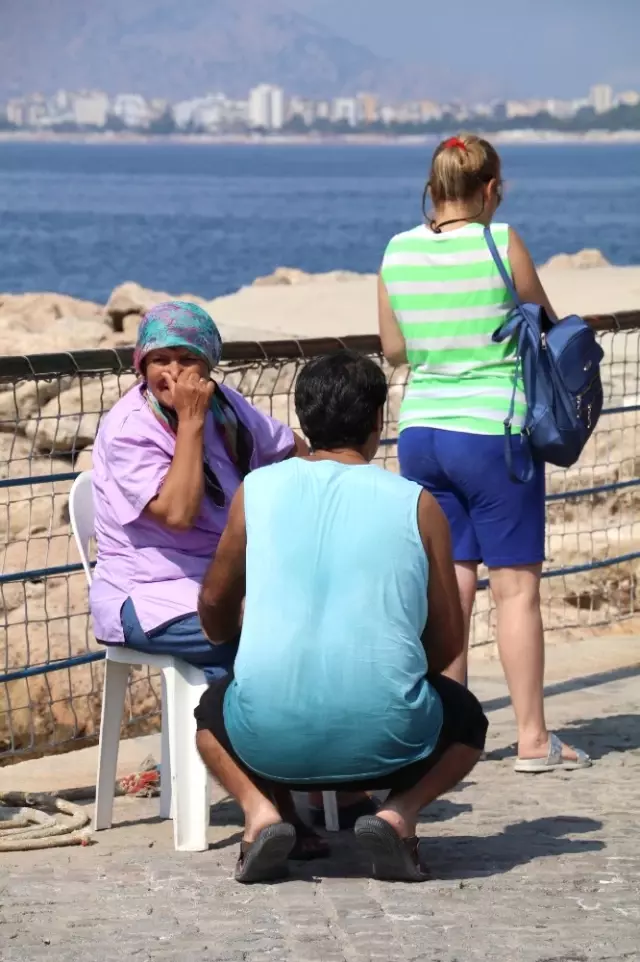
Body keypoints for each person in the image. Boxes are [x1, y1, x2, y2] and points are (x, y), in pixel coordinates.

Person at [194, 350, 488, 884]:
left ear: (303, 417)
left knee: (209, 718)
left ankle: (262, 815)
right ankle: (399, 815)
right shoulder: (417, 503)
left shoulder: (256, 491)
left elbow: (214, 604)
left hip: (266, 740)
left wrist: (239, 647)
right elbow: (449, 640)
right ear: (378, 421)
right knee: (468, 721)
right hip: (391, 742)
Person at [378, 133, 590, 773]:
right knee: (517, 590)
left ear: (433, 188)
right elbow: (549, 325)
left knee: (452, 588)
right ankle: (531, 740)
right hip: (493, 435)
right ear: (491, 188)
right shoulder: (502, 242)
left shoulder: (397, 250)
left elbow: (394, 350)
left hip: (422, 436)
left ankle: (451, 737)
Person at [90, 299, 307, 681]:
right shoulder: (129, 430)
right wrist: (191, 422)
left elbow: (292, 450)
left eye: (186, 358)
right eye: (161, 360)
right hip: (150, 593)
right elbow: (177, 514)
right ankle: (233, 733)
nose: (173, 372)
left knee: (316, 620)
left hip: (225, 575)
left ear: (207, 364)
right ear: (143, 366)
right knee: (260, 641)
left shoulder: (225, 406)